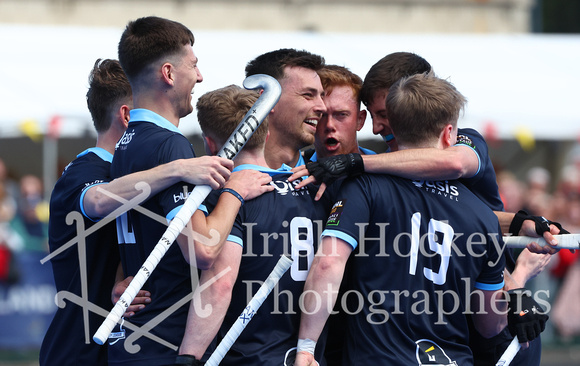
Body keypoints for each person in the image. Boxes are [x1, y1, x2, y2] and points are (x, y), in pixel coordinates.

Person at [292, 52, 555, 365]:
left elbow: (455, 164)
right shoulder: (473, 213)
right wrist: (518, 229)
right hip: (452, 345)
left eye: (383, 112)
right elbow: (476, 233)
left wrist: (356, 164)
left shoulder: (459, 146)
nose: (377, 127)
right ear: (445, 131)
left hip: (483, 339)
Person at [39, 58, 235, 366]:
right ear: (127, 115)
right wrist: (178, 167)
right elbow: (97, 202)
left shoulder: (133, 166)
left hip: (123, 345)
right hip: (79, 350)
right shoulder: (85, 170)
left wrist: (120, 279)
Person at [108, 17, 272, 365]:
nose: (199, 77)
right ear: (168, 74)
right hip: (164, 342)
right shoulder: (170, 145)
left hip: (132, 339)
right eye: (194, 66)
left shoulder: (125, 143)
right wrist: (235, 192)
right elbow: (202, 250)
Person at [176, 85, 329, 365]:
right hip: (307, 356)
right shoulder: (314, 188)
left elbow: (220, 285)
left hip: (247, 355)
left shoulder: (227, 197)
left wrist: (188, 356)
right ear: (266, 133)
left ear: (210, 144)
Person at [245, 48, 326, 169]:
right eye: (308, 95)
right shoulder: (220, 178)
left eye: (322, 96)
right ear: (265, 100)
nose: (323, 107)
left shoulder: (325, 179)